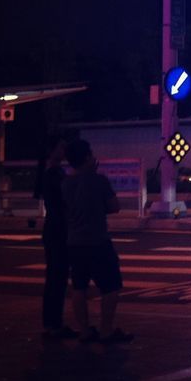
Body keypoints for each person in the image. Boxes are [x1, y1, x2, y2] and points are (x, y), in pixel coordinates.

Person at [62, 138, 133, 345]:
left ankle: (84, 330)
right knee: (111, 287)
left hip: (74, 241)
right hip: (97, 240)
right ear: (86, 158)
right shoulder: (98, 180)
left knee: (79, 287)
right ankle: (106, 330)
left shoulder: (65, 183)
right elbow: (114, 206)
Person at [35, 134, 76, 339]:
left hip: (52, 228)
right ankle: (54, 324)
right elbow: (66, 200)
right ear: (52, 151)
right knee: (58, 278)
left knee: (54, 277)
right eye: (61, 148)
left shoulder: (47, 172)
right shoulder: (56, 174)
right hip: (59, 229)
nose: (64, 151)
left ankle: (51, 323)